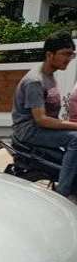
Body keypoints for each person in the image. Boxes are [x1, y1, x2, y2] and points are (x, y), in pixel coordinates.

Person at [12, 32, 77, 197]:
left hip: (42, 128)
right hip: (30, 130)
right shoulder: (35, 80)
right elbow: (41, 119)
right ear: (50, 54)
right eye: (65, 54)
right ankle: (64, 193)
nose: (69, 58)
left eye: (71, 54)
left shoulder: (50, 75)